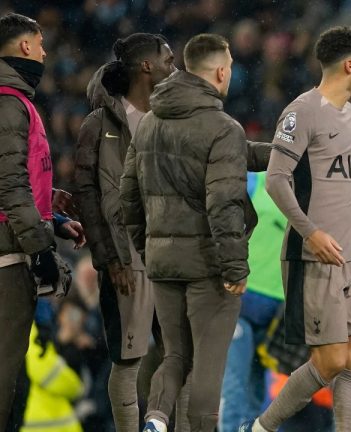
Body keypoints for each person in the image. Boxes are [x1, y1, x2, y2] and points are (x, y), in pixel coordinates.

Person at [120, 33, 264, 432]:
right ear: (221, 71)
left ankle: (155, 418)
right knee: (208, 366)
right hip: (209, 265)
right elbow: (223, 204)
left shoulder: (150, 122)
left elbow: (127, 195)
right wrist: (235, 267)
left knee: (174, 357)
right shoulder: (222, 127)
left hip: (163, 262)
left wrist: (148, 249)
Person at [238, 26, 351, 432]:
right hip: (312, 253)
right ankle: (261, 428)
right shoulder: (302, 111)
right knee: (330, 360)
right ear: (349, 64)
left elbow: (344, 187)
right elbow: (278, 180)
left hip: (348, 253)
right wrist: (311, 233)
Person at [74, 33, 177, 432]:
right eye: (168, 59)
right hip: (126, 261)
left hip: (170, 257)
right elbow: (89, 194)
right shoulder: (99, 124)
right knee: (128, 360)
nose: (175, 66)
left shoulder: (170, 119)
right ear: (145, 67)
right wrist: (109, 258)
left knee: (177, 354)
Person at [0, 12, 85, 427]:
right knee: (4, 385)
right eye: (41, 42)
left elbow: (16, 181)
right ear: (26, 47)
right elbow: (9, 185)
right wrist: (41, 250)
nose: (46, 52)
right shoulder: (9, 104)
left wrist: (49, 214)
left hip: (13, 244)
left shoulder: (16, 103)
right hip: (7, 257)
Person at [219, 170, 285, 431]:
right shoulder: (253, 180)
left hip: (278, 313)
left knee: (262, 394)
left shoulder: (305, 189)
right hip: (240, 305)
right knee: (234, 387)